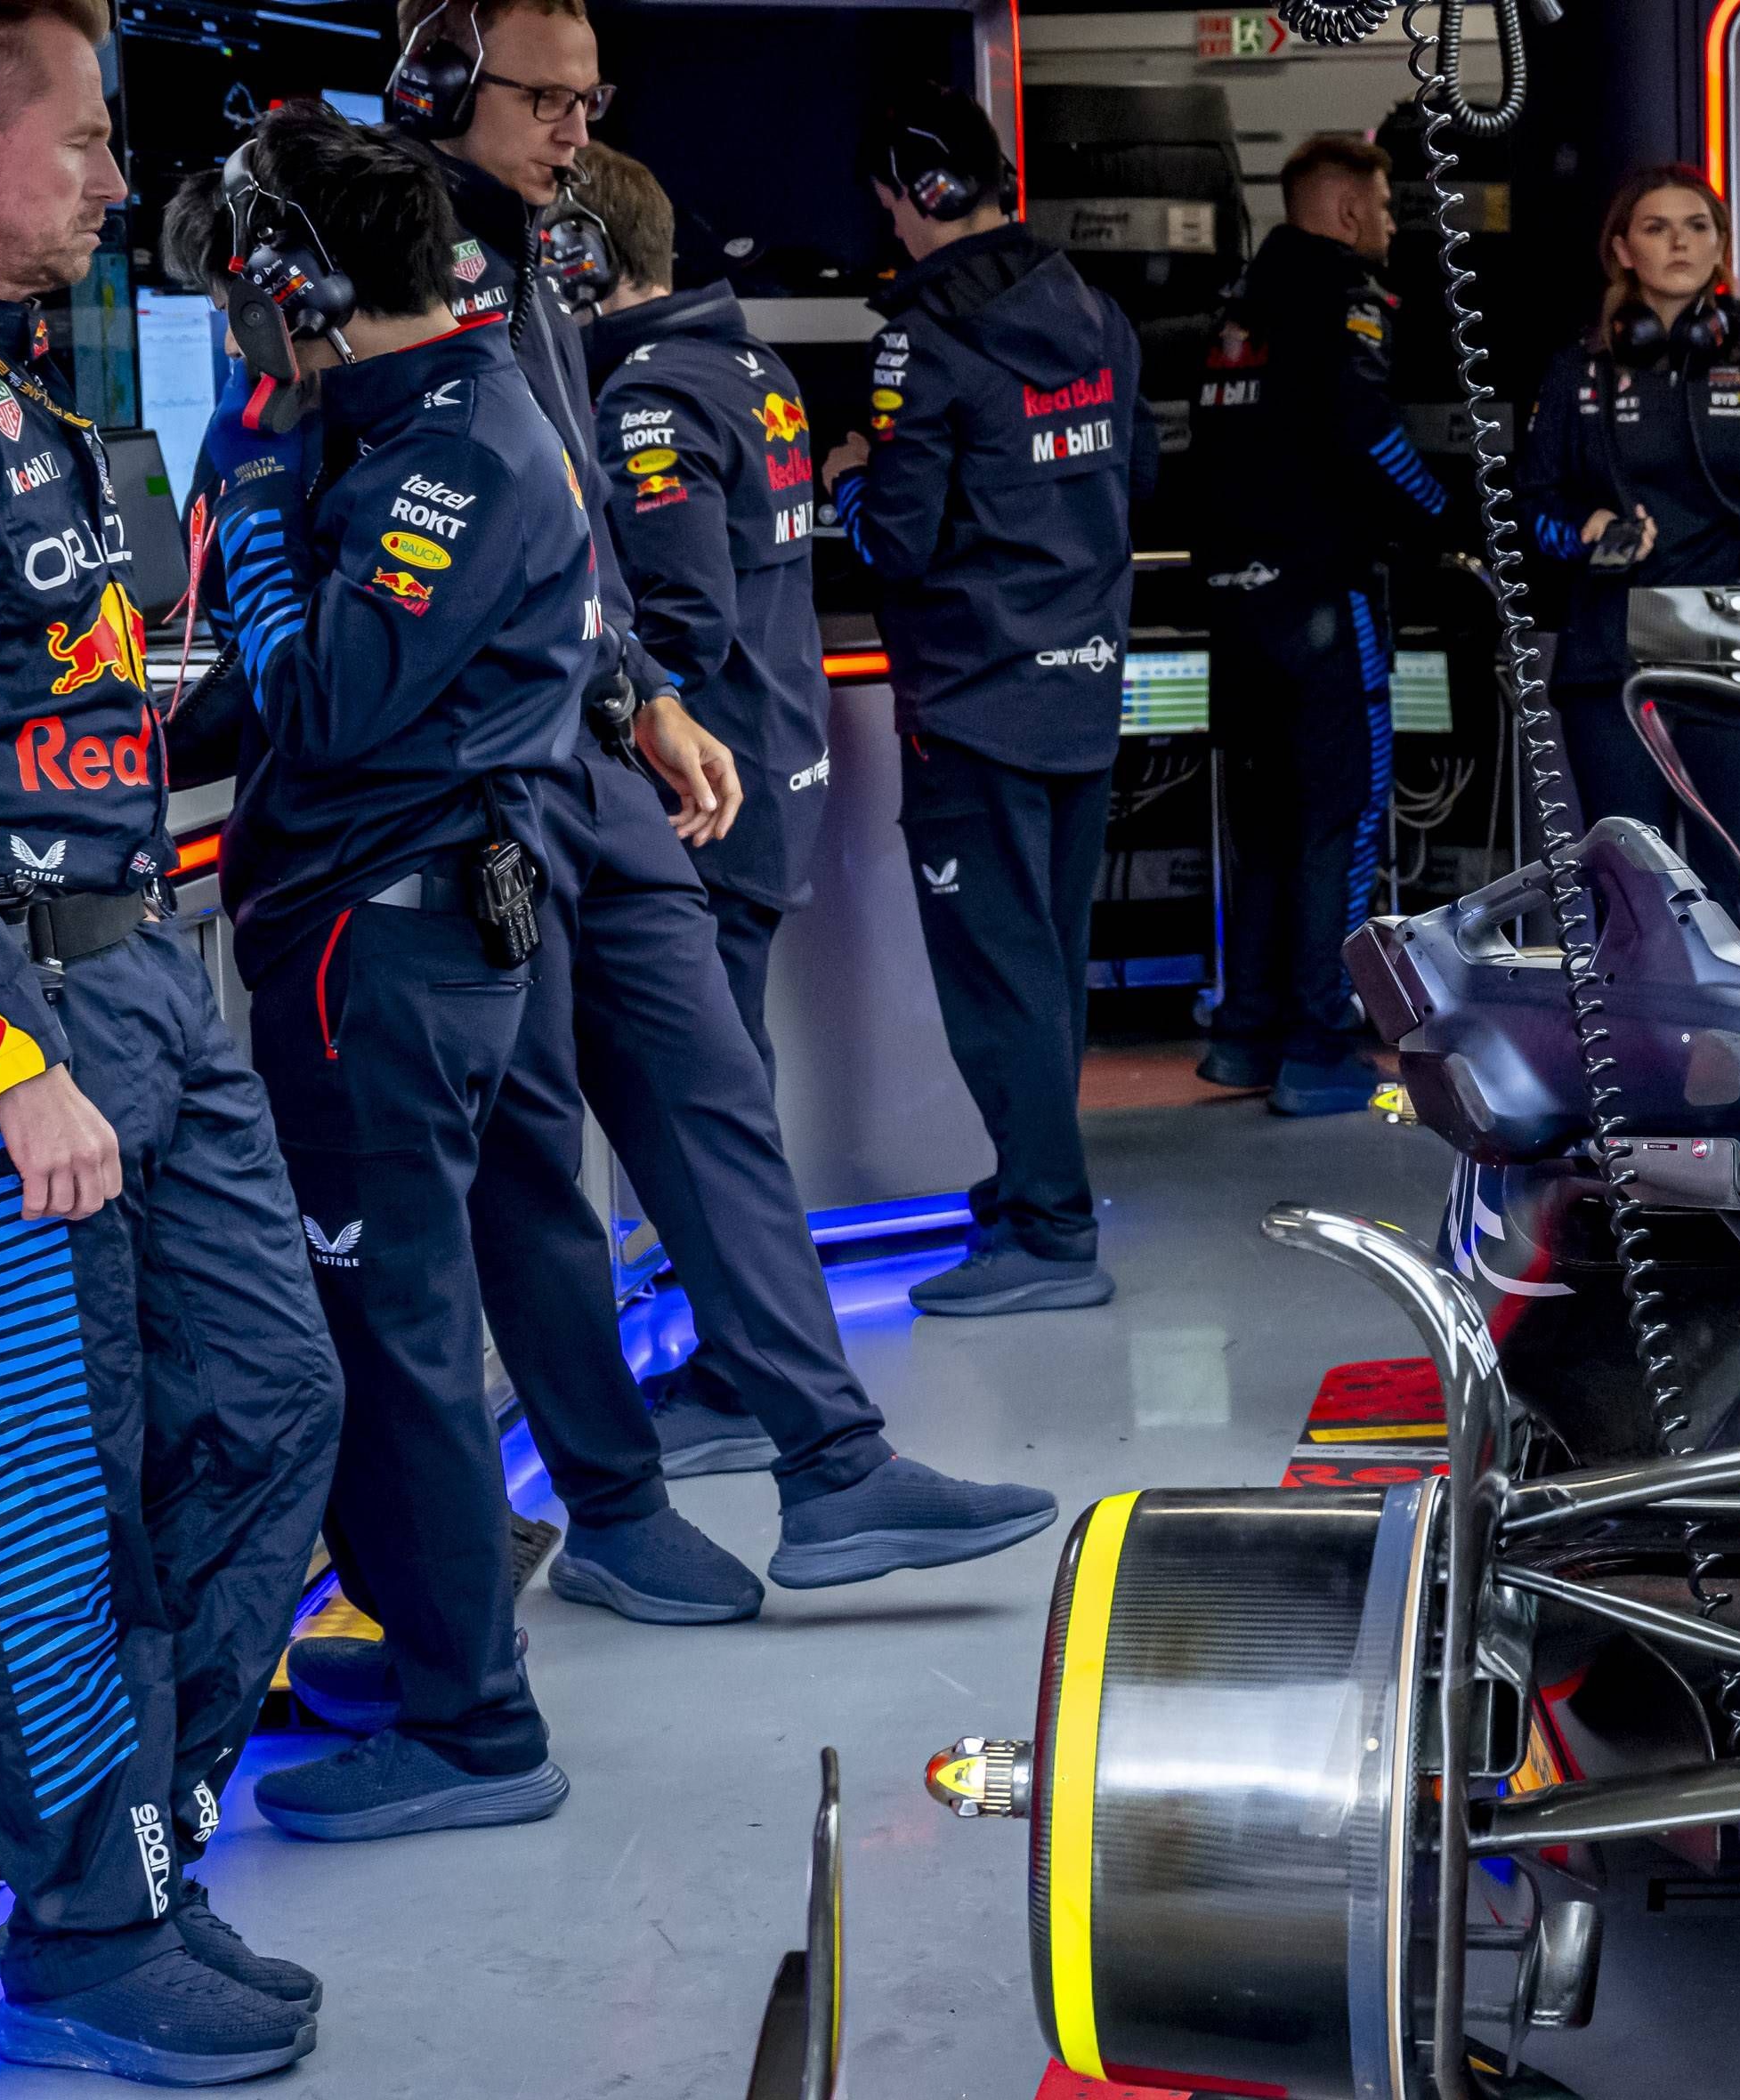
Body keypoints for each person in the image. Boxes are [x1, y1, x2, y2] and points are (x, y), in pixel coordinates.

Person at [337, 0, 1054, 1644]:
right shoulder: (371, 256)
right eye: (543, 97)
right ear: (442, 88)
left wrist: (646, 692)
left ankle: (833, 1464)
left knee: (712, 1090)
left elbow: (578, 532)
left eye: (592, 102)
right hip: (463, 787)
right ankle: (615, 1508)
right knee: (529, 1164)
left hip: (595, 757)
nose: (575, 130)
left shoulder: (538, 274)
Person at [0, 6, 342, 2080]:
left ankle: (151, 1821)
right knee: (65, 1483)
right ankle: (86, 1920)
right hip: (25, 1020)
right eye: (91, 142)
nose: (124, 184)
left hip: (158, 979)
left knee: (282, 1399)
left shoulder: (32, 381)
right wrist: (3, 1063)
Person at [193, 101, 588, 1846]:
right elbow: (268, 686)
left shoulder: (455, 448)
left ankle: (473, 1724)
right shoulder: (422, 416)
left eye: (231, 285)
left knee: (389, 1330)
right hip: (402, 923)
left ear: (295, 283)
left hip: (389, 936)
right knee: (394, 1318)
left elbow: (334, 700)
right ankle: (437, 1642)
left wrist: (264, 491)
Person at [824, 85, 1161, 1316]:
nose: (893, 237)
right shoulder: (1095, 308)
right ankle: (1030, 1188)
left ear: (919, 192)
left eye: (890, 210)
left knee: (995, 978)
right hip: (1081, 682)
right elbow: (1140, 475)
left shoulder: (923, 340)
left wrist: (848, 477)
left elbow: (899, 546)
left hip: (971, 697)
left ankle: (1050, 1233)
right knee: (1048, 967)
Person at [1518, 164, 1740, 908]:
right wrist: (1583, 530)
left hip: (1730, 642)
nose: (1679, 243)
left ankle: (1732, 1027)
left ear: (1718, 246)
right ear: (1622, 249)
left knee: (1731, 874)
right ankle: (1629, 1026)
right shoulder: (1580, 362)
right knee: (1627, 881)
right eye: (1656, 227)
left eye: (1697, 227)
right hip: (1611, 653)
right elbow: (1529, 513)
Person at [1190, 132, 1456, 1114]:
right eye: (1384, 208)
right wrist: (1447, 516)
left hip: (1230, 600)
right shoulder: (1345, 292)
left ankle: (1245, 1034)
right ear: (1347, 211)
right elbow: (1367, 429)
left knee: (1260, 822)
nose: (1389, 227)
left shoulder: (1235, 304)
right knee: (1338, 817)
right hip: (1318, 596)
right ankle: (1320, 1040)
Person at [571, 141, 831, 1081]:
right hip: (776, 751)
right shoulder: (751, 364)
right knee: (728, 1067)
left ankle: (749, 1237)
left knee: (715, 1081)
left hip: (709, 787)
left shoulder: (649, 392)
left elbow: (687, 617)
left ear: (584, 257)